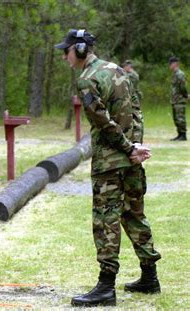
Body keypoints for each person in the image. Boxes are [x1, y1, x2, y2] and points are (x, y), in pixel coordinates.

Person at [55, 29, 161, 307]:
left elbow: (104, 124)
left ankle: (105, 287)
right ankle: (150, 277)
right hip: (130, 158)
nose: (64, 56)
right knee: (133, 214)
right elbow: (136, 109)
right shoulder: (116, 70)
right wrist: (136, 145)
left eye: (65, 51)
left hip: (110, 162)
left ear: (78, 50)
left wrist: (128, 148)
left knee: (106, 221)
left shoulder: (87, 80)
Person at [123, 60, 144, 143]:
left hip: (133, 97)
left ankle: (136, 137)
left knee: (135, 116)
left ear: (128, 66)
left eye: (125, 66)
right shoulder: (133, 74)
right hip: (133, 96)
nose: (124, 68)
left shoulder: (132, 75)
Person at [169, 56, 188, 141]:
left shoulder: (180, 74)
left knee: (180, 118)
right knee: (176, 118)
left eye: (171, 63)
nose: (170, 65)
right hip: (175, 99)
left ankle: (183, 135)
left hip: (180, 99)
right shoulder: (175, 74)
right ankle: (179, 134)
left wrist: (186, 95)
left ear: (176, 64)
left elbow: (182, 87)